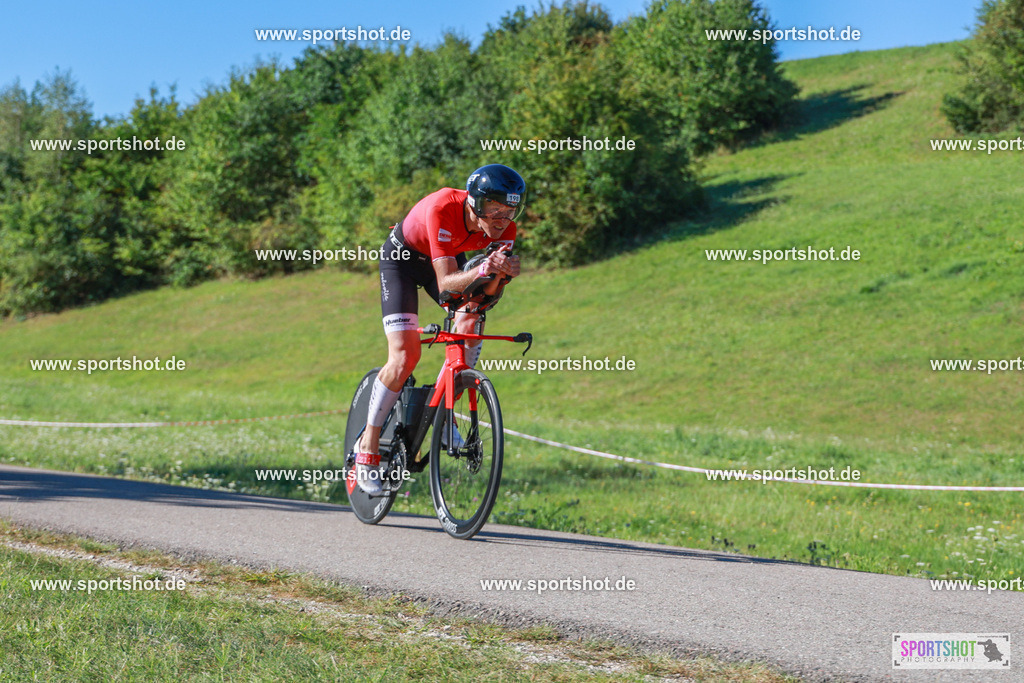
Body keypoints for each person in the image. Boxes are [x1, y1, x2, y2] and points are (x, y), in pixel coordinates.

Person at [353, 164, 525, 494]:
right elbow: (447, 284)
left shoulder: (506, 230)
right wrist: (486, 267)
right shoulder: (443, 208)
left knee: (471, 319)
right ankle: (369, 445)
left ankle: (445, 406)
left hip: (441, 260)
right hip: (402, 261)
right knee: (405, 356)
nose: (502, 218)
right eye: (494, 208)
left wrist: (501, 277)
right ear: (475, 202)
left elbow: (484, 296)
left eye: (510, 209)